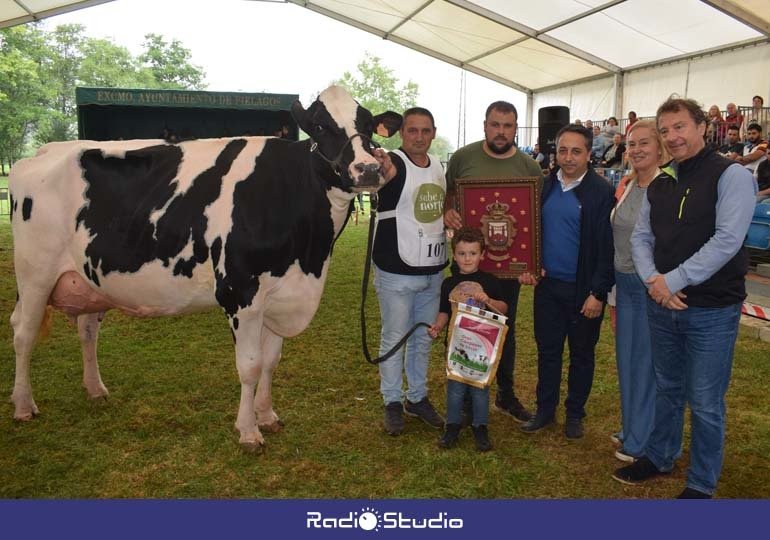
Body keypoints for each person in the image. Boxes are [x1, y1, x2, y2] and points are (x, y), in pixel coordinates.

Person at [614, 97, 756, 498]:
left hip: (711, 309)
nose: (672, 136)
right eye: (665, 130)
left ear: (701, 127)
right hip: (663, 304)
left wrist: (671, 280)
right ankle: (660, 456)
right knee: (668, 387)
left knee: (706, 401)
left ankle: (701, 482)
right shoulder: (662, 181)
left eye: (680, 127)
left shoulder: (731, 176)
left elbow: (727, 240)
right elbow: (641, 237)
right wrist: (654, 280)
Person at [443, 100, 544, 423]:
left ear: (517, 128)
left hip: (509, 269)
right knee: (466, 327)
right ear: (484, 125)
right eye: (495, 125)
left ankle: (505, 394)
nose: (501, 132)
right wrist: (448, 211)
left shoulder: (530, 168)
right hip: (469, 266)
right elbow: (448, 196)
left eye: (508, 126)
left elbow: (534, 220)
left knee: (504, 328)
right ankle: (469, 391)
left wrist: (532, 262)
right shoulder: (462, 159)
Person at [518, 124, 615, 439]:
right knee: (548, 351)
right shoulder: (543, 187)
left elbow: (606, 248)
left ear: (589, 153)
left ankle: (575, 414)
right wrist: (531, 265)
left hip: (583, 292)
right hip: (548, 288)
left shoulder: (601, 193)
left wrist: (598, 293)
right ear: (555, 152)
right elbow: (530, 231)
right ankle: (545, 411)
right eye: (563, 150)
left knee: (582, 354)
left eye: (576, 151)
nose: (569, 157)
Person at [372, 107, 447, 436]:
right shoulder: (393, 162)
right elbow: (379, 175)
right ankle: (391, 400)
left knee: (422, 338)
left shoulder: (438, 168)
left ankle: (416, 397)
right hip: (397, 269)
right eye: (412, 130)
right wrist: (378, 165)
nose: (419, 137)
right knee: (395, 336)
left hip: (432, 270)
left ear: (433, 133)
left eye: (425, 131)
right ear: (402, 132)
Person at [610, 120, 670, 463]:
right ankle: (632, 424)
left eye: (644, 143)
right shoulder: (629, 182)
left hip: (649, 285)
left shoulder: (666, 186)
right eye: (631, 144)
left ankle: (643, 439)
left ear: (659, 146)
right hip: (623, 284)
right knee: (628, 360)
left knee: (646, 364)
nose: (635, 150)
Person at [428, 227, 507, 452]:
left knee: (479, 389)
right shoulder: (448, 284)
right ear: (455, 255)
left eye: (472, 253)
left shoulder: (490, 281)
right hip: (456, 345)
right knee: (455, 389)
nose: (467, 258)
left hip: (482, 346)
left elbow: (503, 309)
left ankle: (480, 427)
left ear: (482, 255)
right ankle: (452, 426)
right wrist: (438, 326)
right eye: (462, 253)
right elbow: (445, 311)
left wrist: (488, 299)